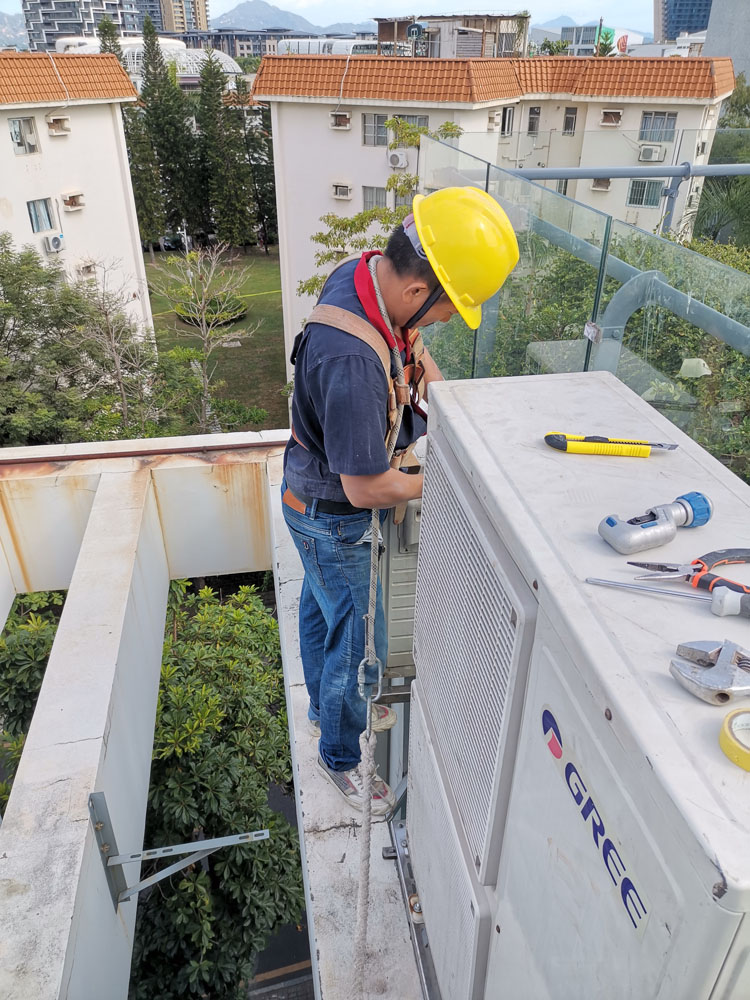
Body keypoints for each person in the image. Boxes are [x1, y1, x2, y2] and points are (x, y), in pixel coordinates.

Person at [281, 186, 519, 815]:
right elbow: (367, 488)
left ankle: (322, 710)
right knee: (362, 644)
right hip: (333, 514)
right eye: (443, 314)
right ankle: (339, 754)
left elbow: (413, 352)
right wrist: (449, 481)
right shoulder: (354, 361)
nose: (438, 325)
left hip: (306, 498)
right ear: (419, 292)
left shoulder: (366, 276)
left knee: (323, 609)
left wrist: (455, 417)